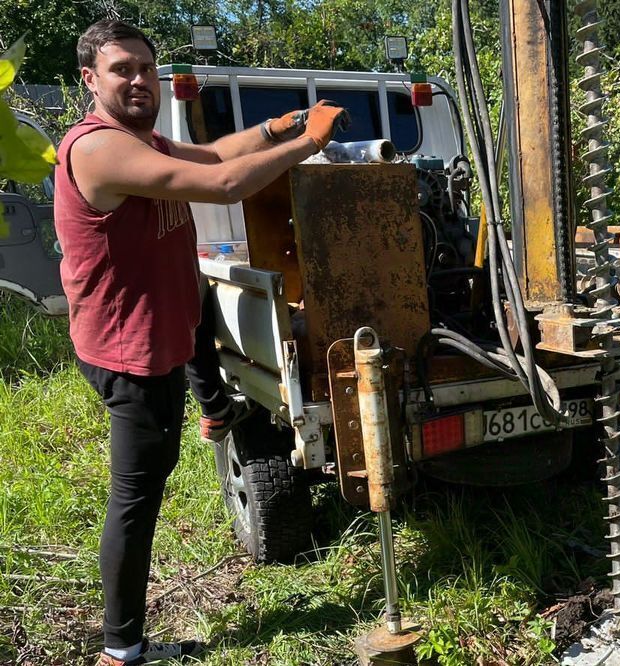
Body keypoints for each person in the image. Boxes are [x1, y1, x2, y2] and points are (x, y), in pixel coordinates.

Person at [54, 18, 347, 666]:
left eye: (144, 68)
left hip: (160, 336)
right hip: (130, 352)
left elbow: (215, 156)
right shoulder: (99, 149)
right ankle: (120, 650)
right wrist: (310, 142)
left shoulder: (143, 140)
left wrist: (276, 128)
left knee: (144, 489)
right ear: (89, 79)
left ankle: (123, 641)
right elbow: (223, 185)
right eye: (121, 69)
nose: (137, 79)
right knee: (134, 501)